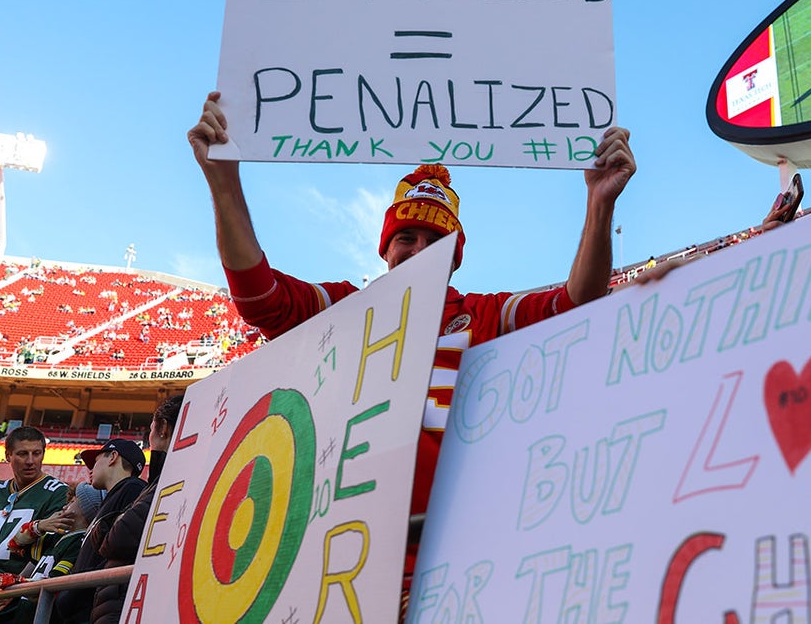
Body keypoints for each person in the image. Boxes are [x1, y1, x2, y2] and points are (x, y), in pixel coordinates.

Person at [188, 92, 635, 590]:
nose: (420, 250)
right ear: (386, 248)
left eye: (436, 241)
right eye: (407, 238)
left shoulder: (481, 315)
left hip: (462, 561)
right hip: (339, 567)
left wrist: (599, 204)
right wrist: (224, 185)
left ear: (455, 256)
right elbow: (261, 299)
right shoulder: (348, 309)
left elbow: (576, 307)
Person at [90, 394, 184, 624]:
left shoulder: (162, 481)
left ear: (162, 428)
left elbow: (117, 538)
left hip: (127, 602)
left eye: (151, 428)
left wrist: (106, 527)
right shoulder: (159, 480)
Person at [0, 427, 68, 623]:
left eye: (37, 453)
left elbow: (46, 553)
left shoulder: (57, 492)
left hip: (16, 597)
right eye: (23, 454)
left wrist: (13, 589)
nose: (31, 461)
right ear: (8, 455)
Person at [0, 483, 101, 623]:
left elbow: (52, 585)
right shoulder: (56, 537)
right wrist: (39, 526)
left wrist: (0, 580)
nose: (64, 506)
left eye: (72, 502)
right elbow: (14, 545)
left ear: (87, 508)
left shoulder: (79, 543)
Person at [54, 439, 146, 624]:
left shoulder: (132, 488)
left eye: (95, 462)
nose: (90, 469)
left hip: (99, 605)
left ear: (113, 457)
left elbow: (120, 551)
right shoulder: (114, 496)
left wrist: (74, 590)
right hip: (88, 604)